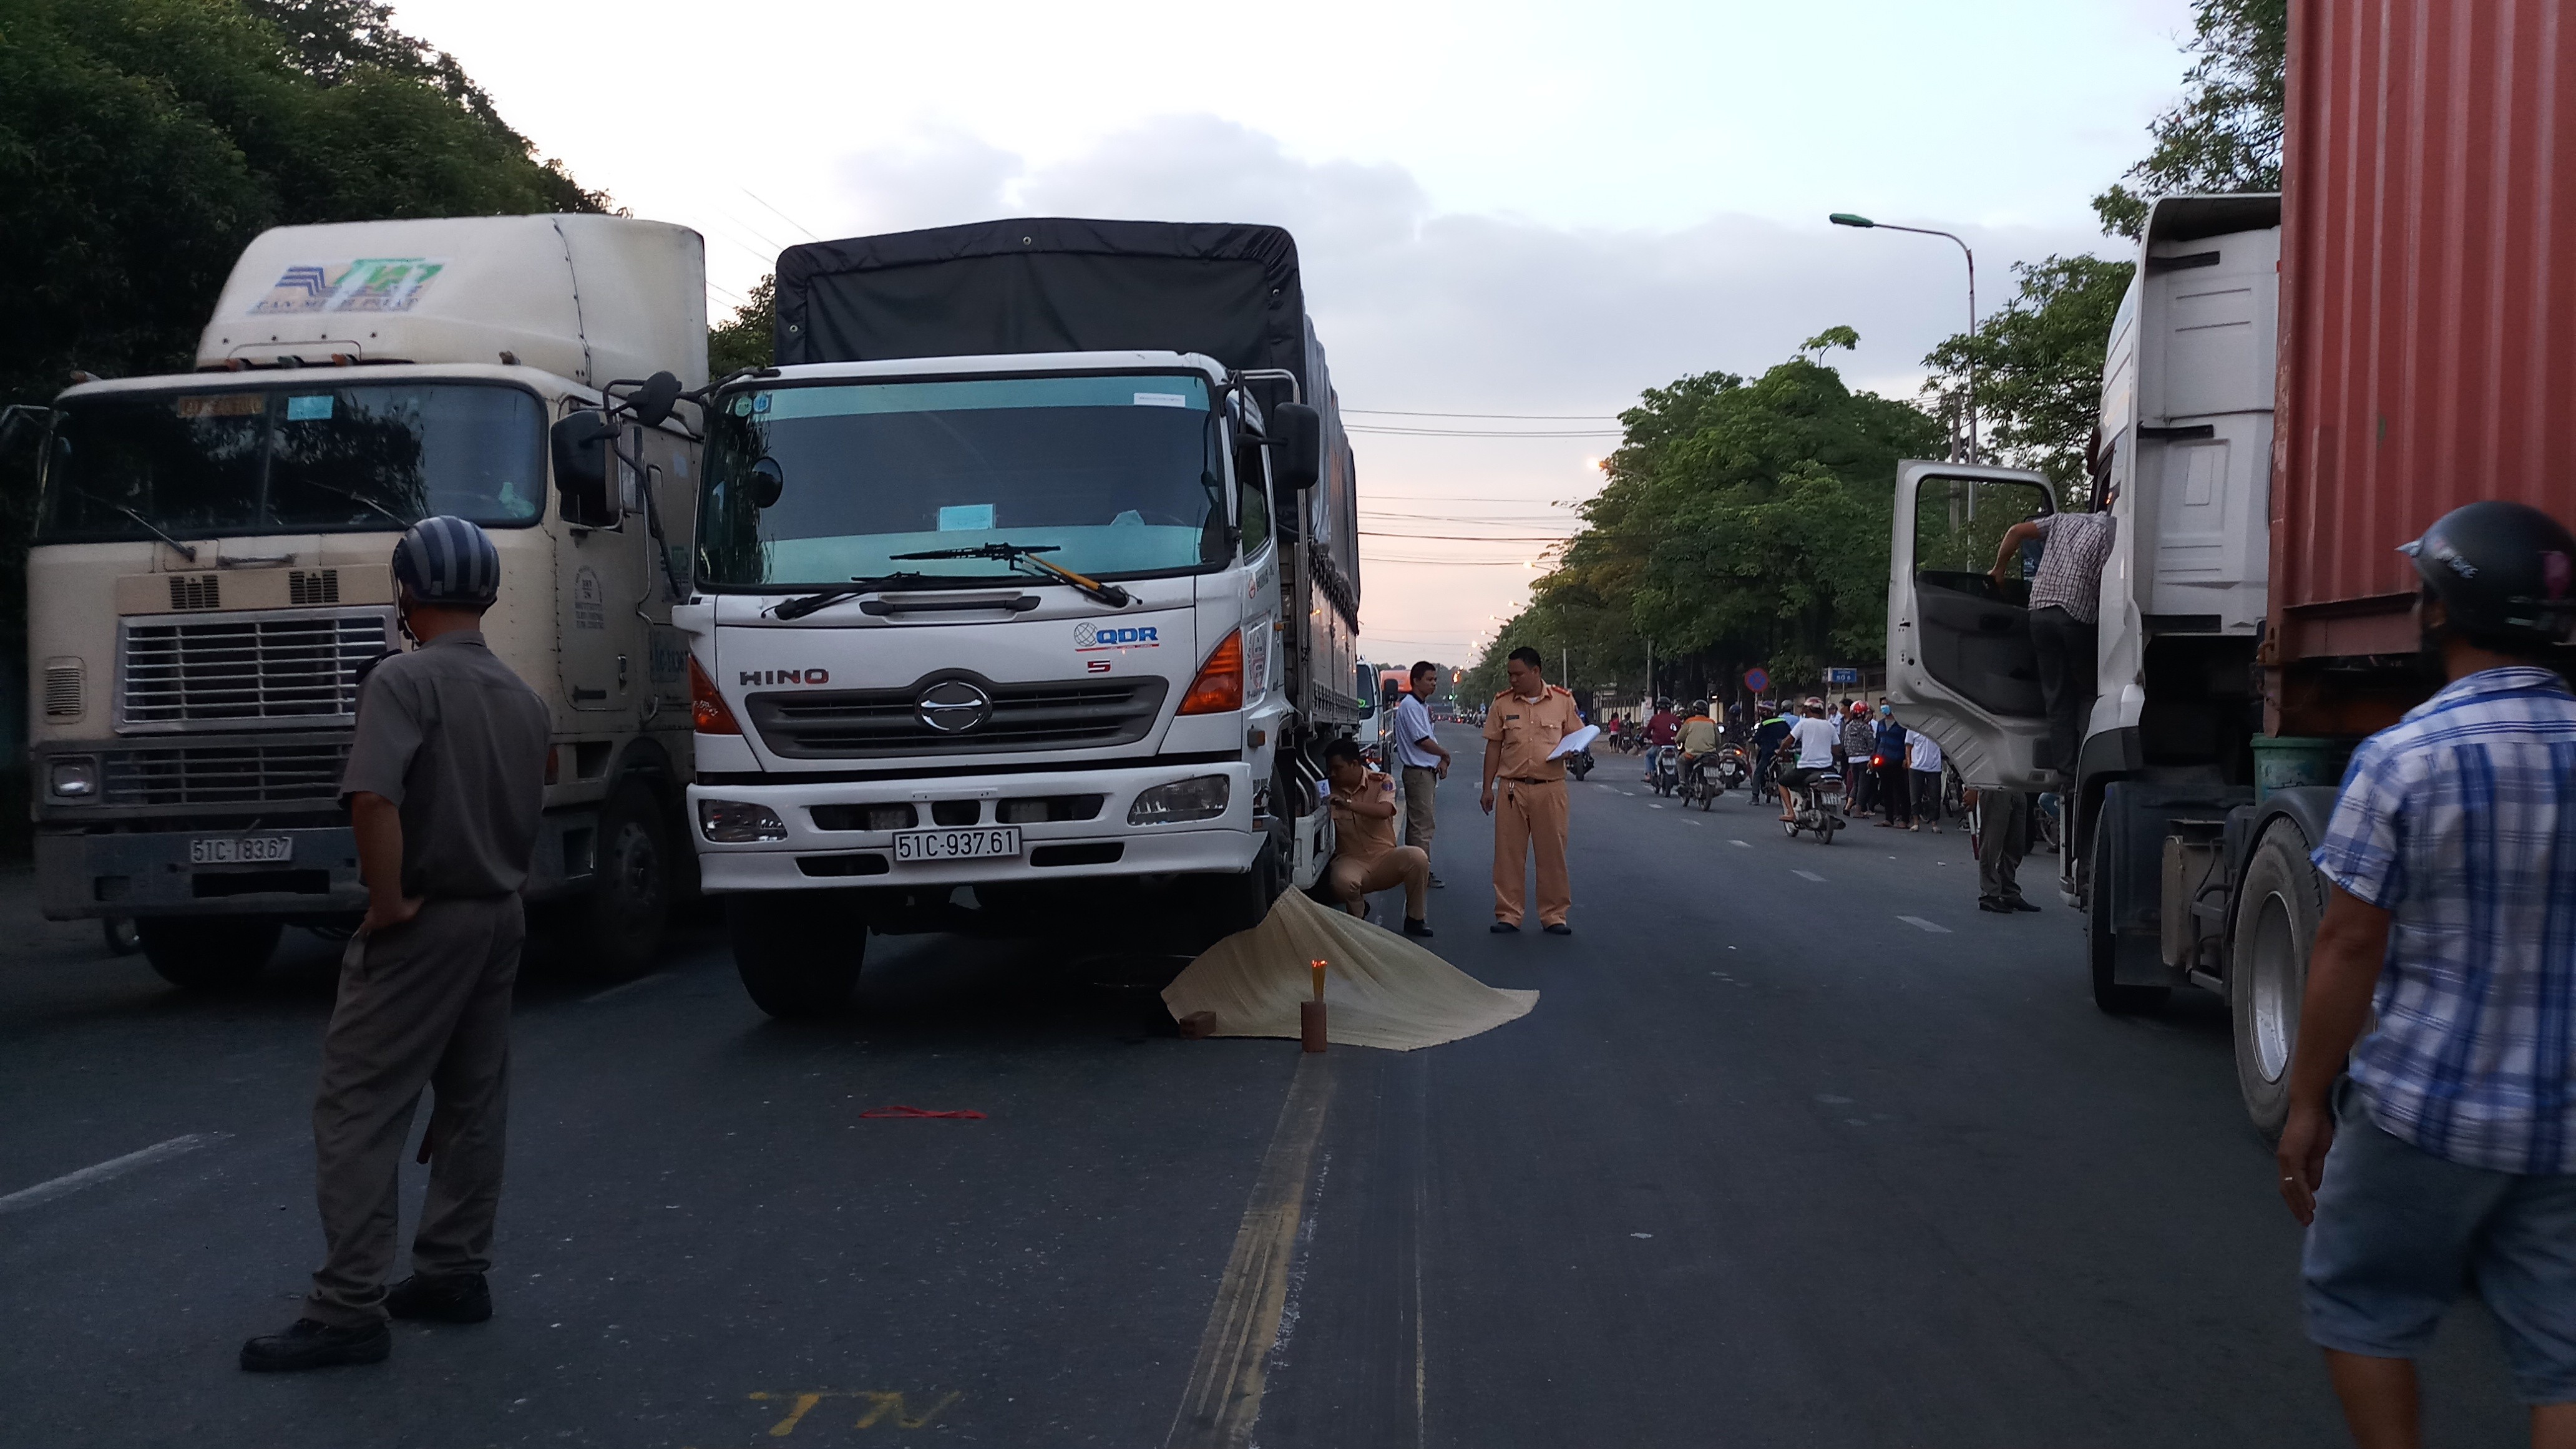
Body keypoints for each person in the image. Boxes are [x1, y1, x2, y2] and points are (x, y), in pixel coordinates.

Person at [2276, 501, 2576, 1447]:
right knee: (2563, 1355)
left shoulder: (2404, 757)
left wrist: (2308, 1100)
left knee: (2361, 1301)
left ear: (2441, 612)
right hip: (2567, 1121)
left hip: (2425, 1109)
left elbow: (2349, 945)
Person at [241, 517, 550, 1373]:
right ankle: (454, 1271)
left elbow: (374, 798)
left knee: (360, 1107)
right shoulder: (526, 698)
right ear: (488, 595)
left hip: (426, 919)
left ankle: (347, 1306)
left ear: (406, 593)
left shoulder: (402, 680)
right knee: (472, 1103)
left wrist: (386, 903)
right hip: (500, 912)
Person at [1991, 485, 2118, 786]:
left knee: (2057, 695)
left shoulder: (2062, 520)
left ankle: (2067, 771)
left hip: (2040, 613)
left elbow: (2015, 531)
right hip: (2076, 616)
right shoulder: (2113, 534)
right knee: (2089, 691)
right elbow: (2109, 584)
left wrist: (1999, 570)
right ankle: (2091, 762)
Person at [1481, 646, 1580, 935]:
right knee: (1508, 855)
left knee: (1553, 854)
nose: (1513, 680)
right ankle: (1509, 914)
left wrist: (1572, 750)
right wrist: (1488, 787)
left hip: (1550, 788)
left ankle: (1554, 915)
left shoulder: (1562, 701)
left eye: (1518, 674)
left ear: (1536, 672)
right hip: (1512, 788)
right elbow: (1494, 746)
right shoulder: (1502, 704)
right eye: (1510, 674)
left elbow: (1576, 735)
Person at [1322, 737, 1435, 937]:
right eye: (1330, 769)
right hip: (1351, 860)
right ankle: (1358, 918)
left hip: (1384, 859)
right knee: (1342, 882)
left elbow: (1385, 811)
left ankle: (1415, 918)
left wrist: (1348, 804)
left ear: (1354, 764)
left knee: (1418, 857)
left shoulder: (1382, 781)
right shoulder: (1327, 789)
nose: (1333, 774)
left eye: (1338, 768)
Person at [1388, 661, 1450, 889]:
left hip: (1426, 772)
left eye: (1435, 679)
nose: (1434, 683)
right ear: (1415, 681)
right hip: (1418, 774)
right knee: (1422, 827)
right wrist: (1445, 754)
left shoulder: (1421, 706)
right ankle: (1419, 872)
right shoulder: (1411, 707)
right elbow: (1422, 741)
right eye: (1430, 679)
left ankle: (1415, 869)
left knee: (1420, 826)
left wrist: (1441, 760)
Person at [1966, 786, 2040, 912]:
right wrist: (1973, 788)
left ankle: (2009, 890)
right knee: (1992, 842)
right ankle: (1989, 893)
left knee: (2016, 845)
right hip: (1994, 785)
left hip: (2017, 784)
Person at [1777, 700, 1841, 822]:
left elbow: (1787, 741)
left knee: (1782, 782)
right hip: (1828, 769)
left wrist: (1780, 751)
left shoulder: (1803, 724)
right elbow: (1837, 748)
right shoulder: (1830, 726)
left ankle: (1791, 813)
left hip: (1807, 769)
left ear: (1808, 710)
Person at [1872, 703, 1911, 828]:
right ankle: (1888, 818)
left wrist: (1907, 758)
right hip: (1883, 761)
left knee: (1902, 791)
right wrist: (1872, 757)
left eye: (1887, 705)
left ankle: (1905, 819)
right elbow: (1877, 741)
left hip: (1898, 760)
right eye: (1882, 705)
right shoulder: (1881, 724)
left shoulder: (1902, 725)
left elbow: (1907, 743)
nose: (1884, 708)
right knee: (1886, 790)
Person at [1840, 701, 1878, 814]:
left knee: (1855, 784)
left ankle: (1848, 806)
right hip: (1864, 759)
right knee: (1863, 785)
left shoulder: (1848, 726)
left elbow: (1844, 742)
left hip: (1852, 760)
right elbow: (1872, 744)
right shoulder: (1865, 727)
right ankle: (1858, 811)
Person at [1676, 700, 1720, 793]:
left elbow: (1679, 738)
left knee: (1680, 761)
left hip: (1692, 755)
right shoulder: (1712, 722)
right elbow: (1718, 740)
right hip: (1710, 754)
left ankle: (1683, 782)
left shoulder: (1689, 722)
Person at [1908, 728, 1945, 834]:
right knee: (1915, 795)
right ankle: (1916, 823)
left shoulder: (1937, 728)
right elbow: (1908, 747)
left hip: (1934, 768)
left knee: (1935, 796)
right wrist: (1909, 763)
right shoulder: (1912, 729)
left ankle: (1934, 823)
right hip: (1916, 767)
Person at [1750, 703, 1793, 790]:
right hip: (1784, 751)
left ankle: (1755, 797)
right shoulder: (1783, 722)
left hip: (1768, 752)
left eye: (1763, 710)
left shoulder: (1765, 724)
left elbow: (1757, 738)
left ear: (1768, 712)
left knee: (1758, 772)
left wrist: (1752, 740)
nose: (1760, 712)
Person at [1639, 698, 1679, 782]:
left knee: (1648, 756)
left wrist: (1645, 736)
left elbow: (1647, 732)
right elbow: (1681, 732)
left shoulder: (1655, 719)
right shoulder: (1675, 719)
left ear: (1658, 707)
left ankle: (1649, 775)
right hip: (1674, 746)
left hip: (1659, 746)